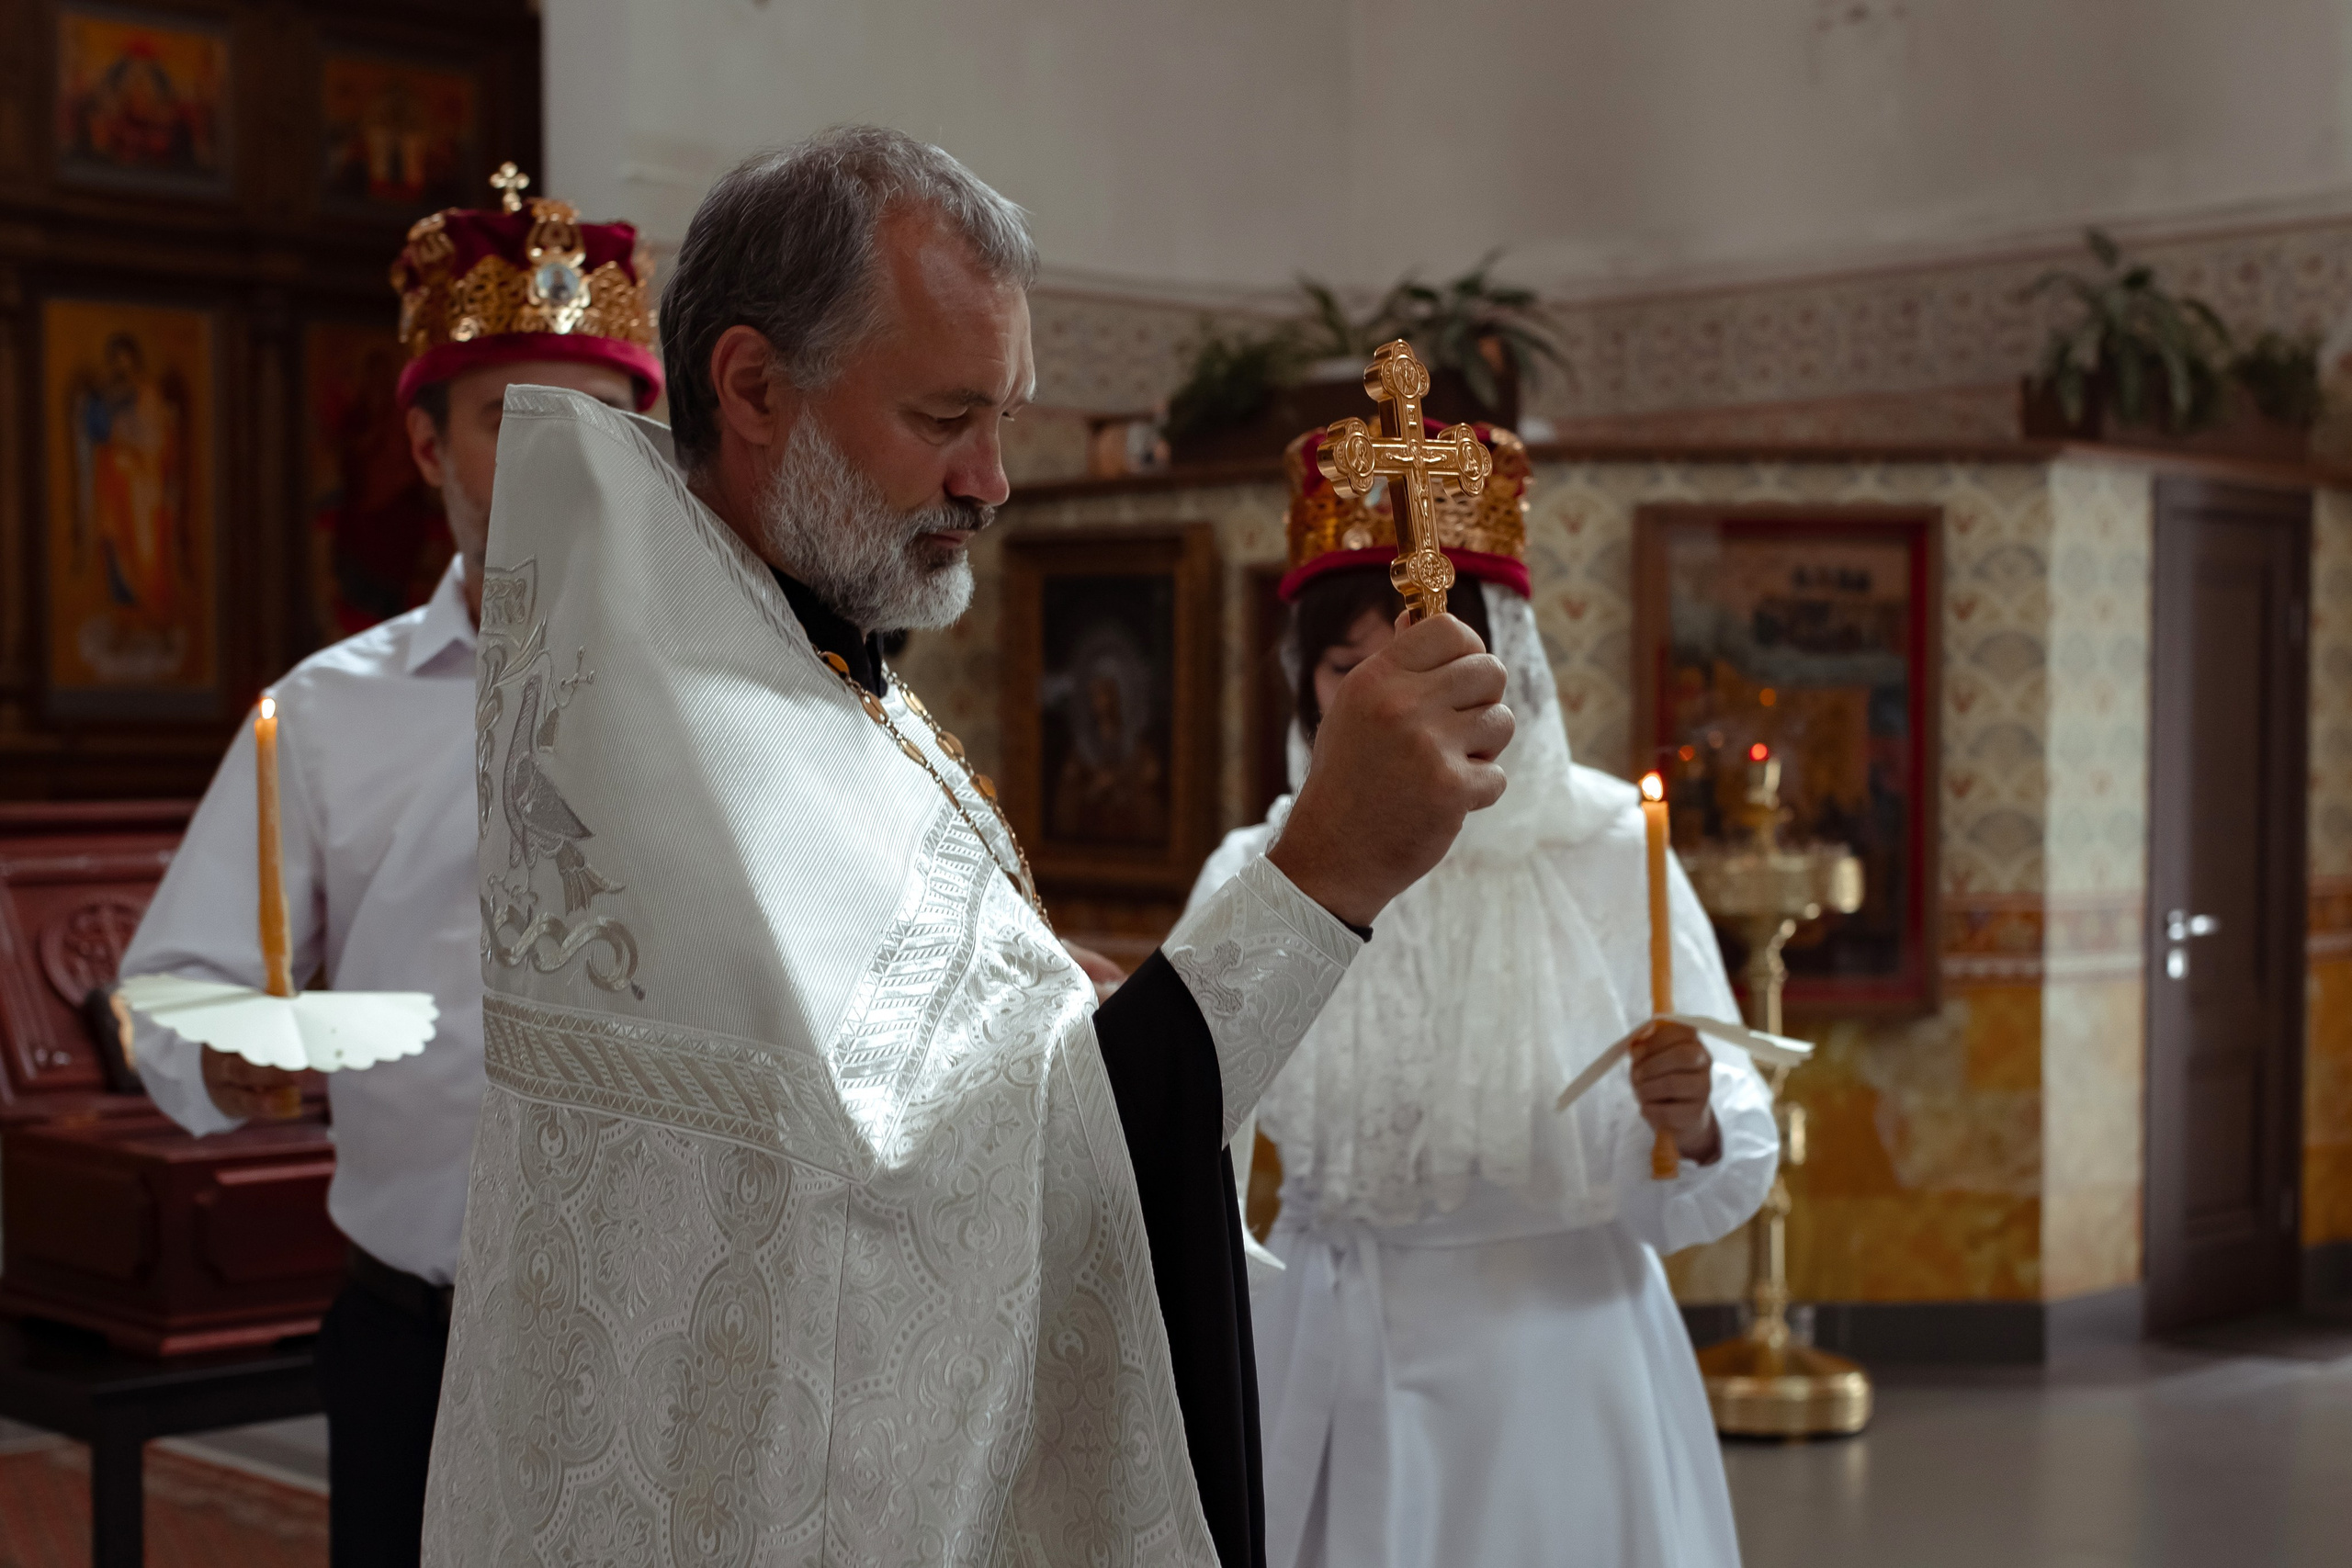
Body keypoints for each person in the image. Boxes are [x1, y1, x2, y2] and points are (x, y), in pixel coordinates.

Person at [419, 125, 1511, 1568]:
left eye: (1008, 413)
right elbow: (938, 1208)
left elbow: (964, 1127)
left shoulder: (792, 662)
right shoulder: (691, 736)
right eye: (945, 418)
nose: (994, 480)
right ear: (753, 386)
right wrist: (1322, 876)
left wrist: (1038, 1016)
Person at [119, 167, 663, 1568]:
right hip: (422, 1343)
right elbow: (172, 982)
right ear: (425, 448)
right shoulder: (325, 714)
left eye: (595, 425)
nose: (557, 459)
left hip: (685, 1338)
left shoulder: (739, 698)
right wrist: (228, 1049)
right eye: (509, 419)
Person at [1193, 426, 1779, 1568]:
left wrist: (1694, 1118)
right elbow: (1178, 1105)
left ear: (1499, 661)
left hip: (1555, 1371)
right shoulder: (1257, 870)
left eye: (1423, 658)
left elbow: (1718, 1133)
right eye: (1343, 668)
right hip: (1325, 1345)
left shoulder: (1604, 847)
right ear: (1305, 687)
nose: (1387, 701)